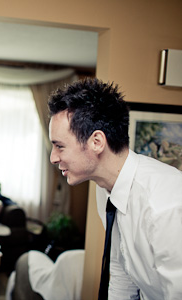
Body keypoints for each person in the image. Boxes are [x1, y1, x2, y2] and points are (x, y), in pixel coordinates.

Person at [47, 78, 182, 299]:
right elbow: (122, 273)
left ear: (97, 142)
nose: (53, 158)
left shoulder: (165, 206)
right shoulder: (106, 188)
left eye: (59, 146)